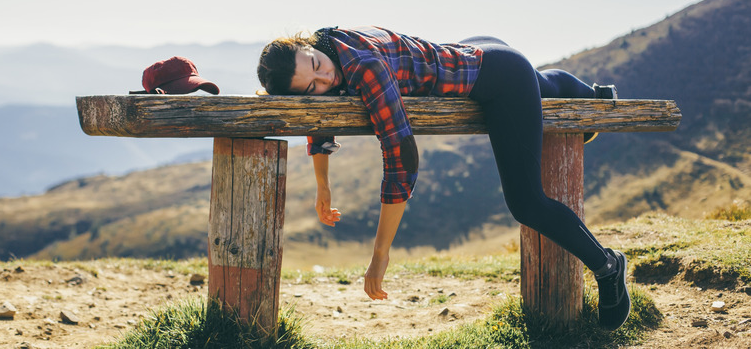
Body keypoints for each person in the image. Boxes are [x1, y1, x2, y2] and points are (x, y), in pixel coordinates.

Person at [256, 26, 630, 330]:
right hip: (477, 49)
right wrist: (323, 184)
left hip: (498, 76)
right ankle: (591, 94)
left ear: (304, 45)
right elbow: (322, 115)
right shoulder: (326, 41)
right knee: (540, 85)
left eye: (317, 65)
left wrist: (380, 253)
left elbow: (401, 155)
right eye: (313, 86)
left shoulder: (364, 68)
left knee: (526, 203)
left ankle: (609, 267)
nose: (326, 77)